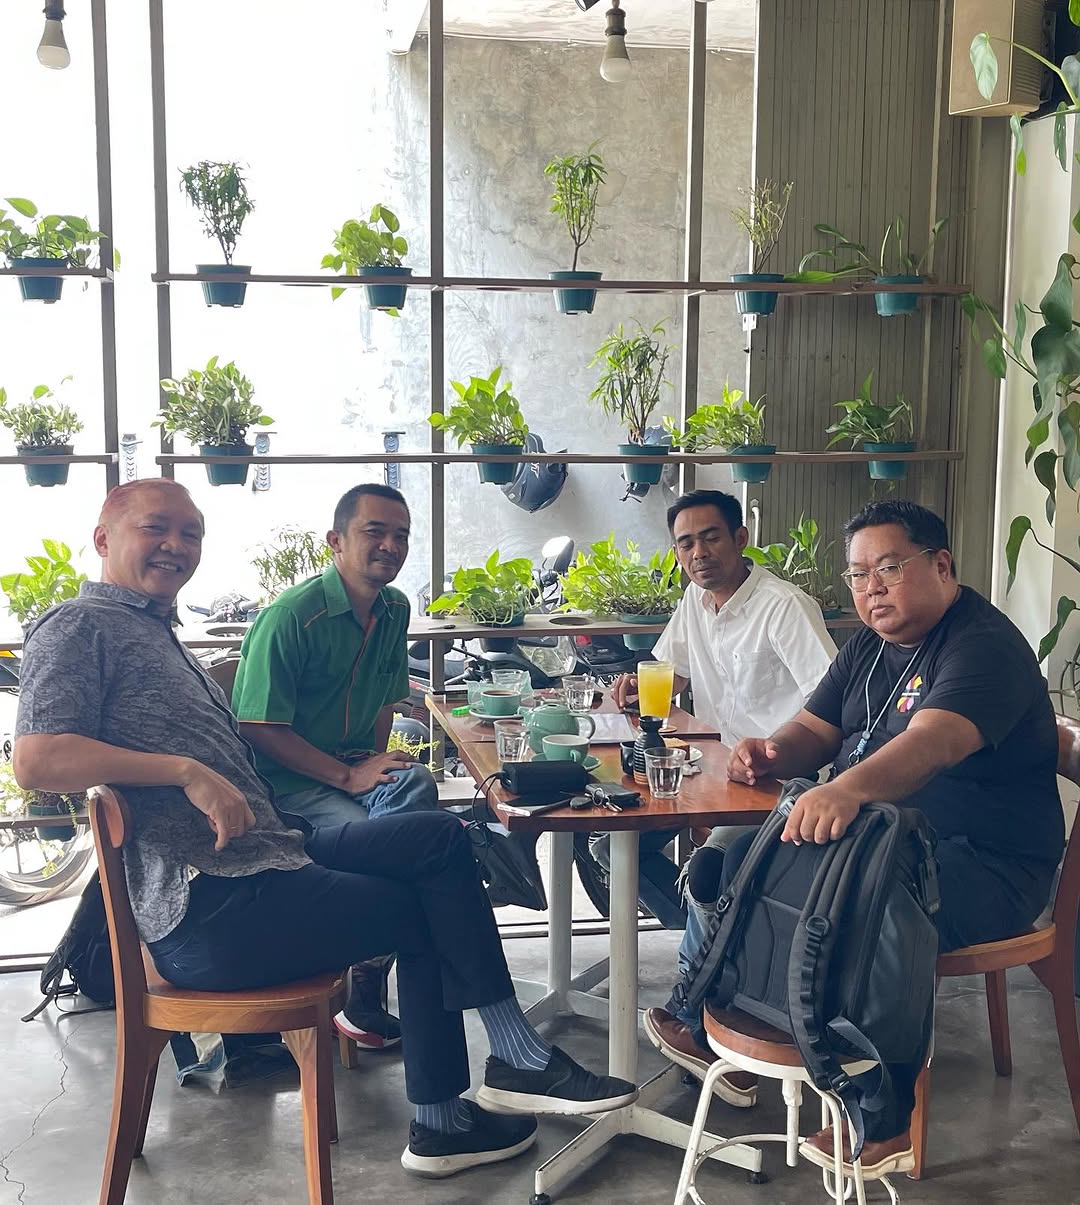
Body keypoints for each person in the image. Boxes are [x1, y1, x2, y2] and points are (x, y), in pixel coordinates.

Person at [13, 479, 638, 1179]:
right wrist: (186, 771)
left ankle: (503, 1064)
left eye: (191, 533)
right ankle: (457, 1107)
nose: (176, 546)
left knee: (438, 836)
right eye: (156, 528)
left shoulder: (155, 630)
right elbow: (36, 759)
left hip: (270, 856)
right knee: (426, 909)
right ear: (103, 538)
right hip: (214, 906)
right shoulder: (80, 624)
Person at [646, 499, 1065, 1180]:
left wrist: (847, 789)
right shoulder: (872, 644)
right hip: (880, 841)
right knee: (731, 850)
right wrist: (773, 751)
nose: (872, 587)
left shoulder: (981, 645)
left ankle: (882, 1113)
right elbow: (815, 728)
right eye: (859, 574)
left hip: (987, 864)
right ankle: (706, 1015)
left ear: (942, 565)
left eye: (890, 568)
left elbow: (931, 743)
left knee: (864, 897)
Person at [602, 489, 835, 1106]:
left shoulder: (785, 607)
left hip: (786, 783)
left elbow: (832, 702)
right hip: (714, 773)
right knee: (610, 844)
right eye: (685, 543)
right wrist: (637, 688)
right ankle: (724, 972)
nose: (698, 552)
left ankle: (698, 1017)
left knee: (714, 864)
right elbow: (670, 673)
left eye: (710, 537)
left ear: (740, 539)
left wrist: (777, 753)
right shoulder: (695, 602)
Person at [232, 483, 437, 1050]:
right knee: (395, 847)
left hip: (349, 770)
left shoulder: (394, 608)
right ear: (336, 541)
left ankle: (370, 970)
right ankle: (372, 980)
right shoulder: (291, 617)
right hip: (283, 784)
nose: (390, 545)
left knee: (413, 786)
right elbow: (257, 726)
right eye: (375, 532)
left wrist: (372, 764)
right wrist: (348, 778)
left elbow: (386, 699)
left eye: (401, 536)